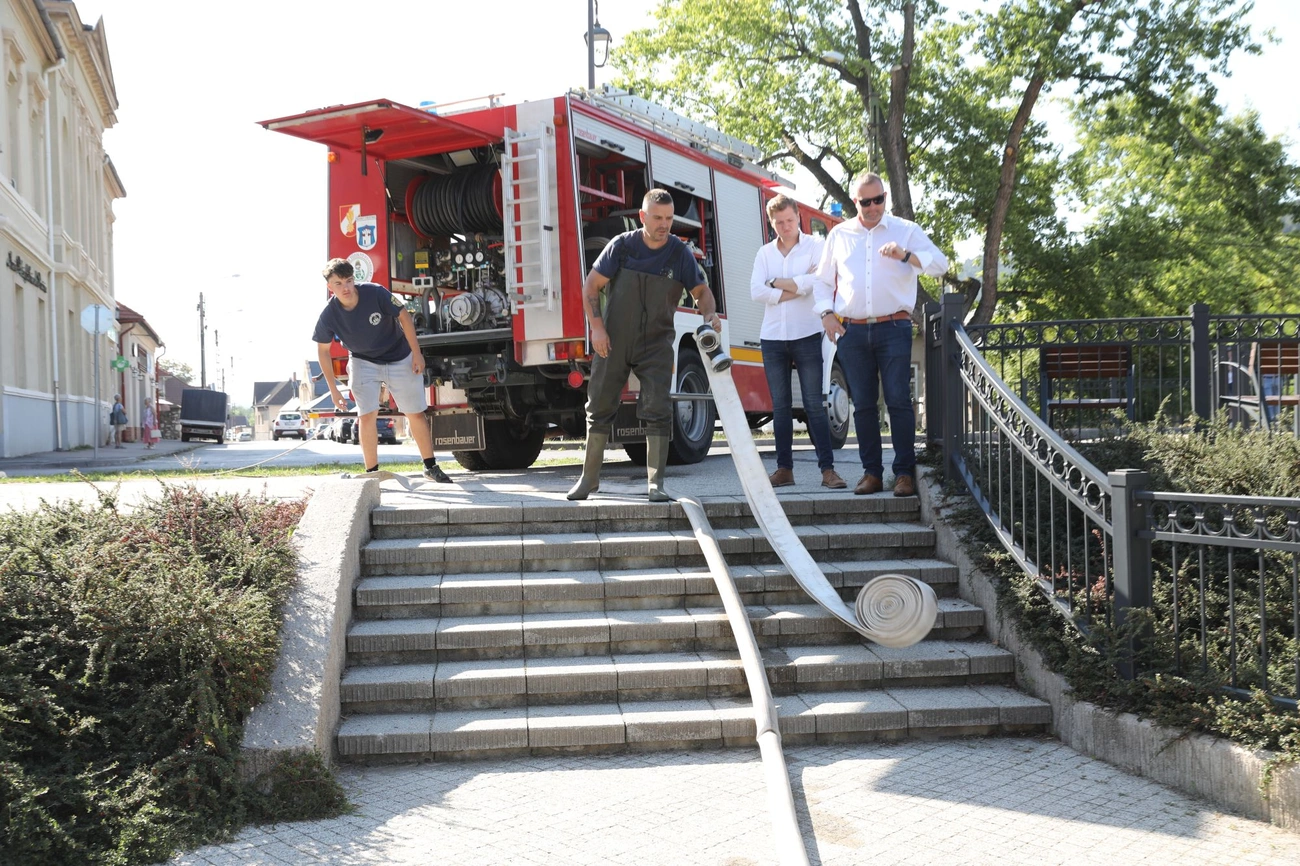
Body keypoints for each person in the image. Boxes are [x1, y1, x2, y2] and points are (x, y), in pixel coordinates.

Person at [568, 188, 722, 502]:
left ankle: (656, 483)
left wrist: (709, 313)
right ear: (642, 216)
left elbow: (701, 291)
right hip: (614, 341)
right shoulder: (621, 247)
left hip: (656, 344)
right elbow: (590, 286)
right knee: (598, 407)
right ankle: (588, 480)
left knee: (659, 410)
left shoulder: (679, 253)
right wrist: (596, 328)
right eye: (657, 218)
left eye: (668, 218)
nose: (664, 224)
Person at [814, 173, 948, 497]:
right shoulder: (840, 234)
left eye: (878, 200)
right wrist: (827, 315)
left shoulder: (906, 230)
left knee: (898, 400)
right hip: (852, 330)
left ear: (885, 197)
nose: (873, 207)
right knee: (862, 404)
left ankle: (903, 474)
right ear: (855, 202)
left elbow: (940, 265)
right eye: (865, 202)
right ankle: (871, 474)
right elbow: (821, 281)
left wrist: (906, 255)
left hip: (894, 326)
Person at [312, 258, 451, 483]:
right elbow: (323, 352)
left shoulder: (375, 293)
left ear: (354, 280)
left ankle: (430, 466)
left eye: (348, 281)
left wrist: (417, 353)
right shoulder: (329, 315)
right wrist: (334, 390)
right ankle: (372, 474)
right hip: (362, 361)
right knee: (366, 415)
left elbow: (404, 316)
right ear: (330, 287)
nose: (345, 288)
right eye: (338, 283)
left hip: (399, 355)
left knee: (414, 412)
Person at [751, 194, 846, 490]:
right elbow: (756, 291)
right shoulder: (764, 253)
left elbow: (817, 282)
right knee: (780, 407)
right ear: (771, 222)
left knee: (813, 404)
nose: (785, 226)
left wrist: (776, 282)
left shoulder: (816, 247)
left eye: (790, 220)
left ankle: (828, 470)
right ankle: (784, 470)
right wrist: (795, 286)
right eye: (779, 222)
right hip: (773, 337)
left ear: (798, 218)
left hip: (807, 334)